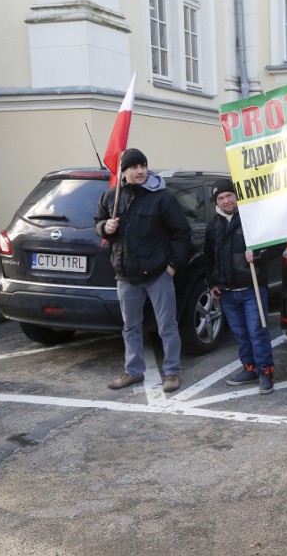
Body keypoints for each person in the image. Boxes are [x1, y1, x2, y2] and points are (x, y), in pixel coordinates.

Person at [95, 148, 191, 393]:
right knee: (130, 327)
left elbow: (181, 233)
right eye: (134, 167)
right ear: (124, 171)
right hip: (126, 275)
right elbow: (97, 224)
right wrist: (105, 226)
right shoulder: (111, 197)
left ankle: (172, 373)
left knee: (166, 326)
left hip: (158, 274)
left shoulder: (161, 198)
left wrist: (172, 267)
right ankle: (133, 371)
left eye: (143, 166)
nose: (140, 171)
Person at [203, 179, 284, 394]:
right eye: (220, 198)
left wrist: (258, 255)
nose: (226, 200)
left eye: (229, 195)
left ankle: (266, 372)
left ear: (236, 196)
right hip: (227, 291)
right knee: (240, 333)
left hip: (252, 289)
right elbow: (208, 257)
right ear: (216, 202)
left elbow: (278, 243)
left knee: (258, 331)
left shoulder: (252, 220)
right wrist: (212, 282)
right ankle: (250, 368)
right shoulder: (213, 226)